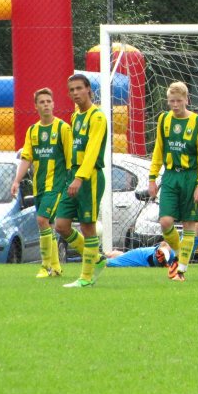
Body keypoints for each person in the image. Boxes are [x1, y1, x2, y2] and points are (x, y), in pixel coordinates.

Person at [147, 81, 198, 282]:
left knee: (190, 224)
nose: (174, 105)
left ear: (186, 100)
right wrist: (152, 178)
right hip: (171, 176)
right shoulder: (164, 120)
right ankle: (180, 253)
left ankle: (180, 270)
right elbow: (158, 150)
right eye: (171, 101)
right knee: (165, 221)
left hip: (190, 176)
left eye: (178, 101)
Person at [11, 87, 73, 278]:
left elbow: (71, 160)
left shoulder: (63, 128)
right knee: (49, 224)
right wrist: (16, 181)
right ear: (36, 106)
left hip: (56, 185)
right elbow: (26, 158)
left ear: (53, 104)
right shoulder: (33, 131)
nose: (46, 104)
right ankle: (56, 267)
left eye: (49, 101)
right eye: (42, 102)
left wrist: (71, 183)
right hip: (40, 186)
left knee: (42, 220)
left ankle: (45, 266)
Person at [55, 74, 108, 288]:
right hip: (74, 175)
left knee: (88, 226)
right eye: (72, 90)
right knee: (61, 225)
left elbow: (92, 151)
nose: (75, 93)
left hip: (90, 176)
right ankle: (95, 258)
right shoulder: (75, 117)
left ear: (88, 89)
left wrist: (79, 178)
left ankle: (86, 277)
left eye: (79, 88)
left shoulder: (97, 117)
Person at [104, 241, 177, 268]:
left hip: (145, 259)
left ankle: (117, 254)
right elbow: (164, 244)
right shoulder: (167, 251)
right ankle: (98, 256)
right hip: (139, 257)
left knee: (121, 257)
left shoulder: (173, 256)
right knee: (108, 263)